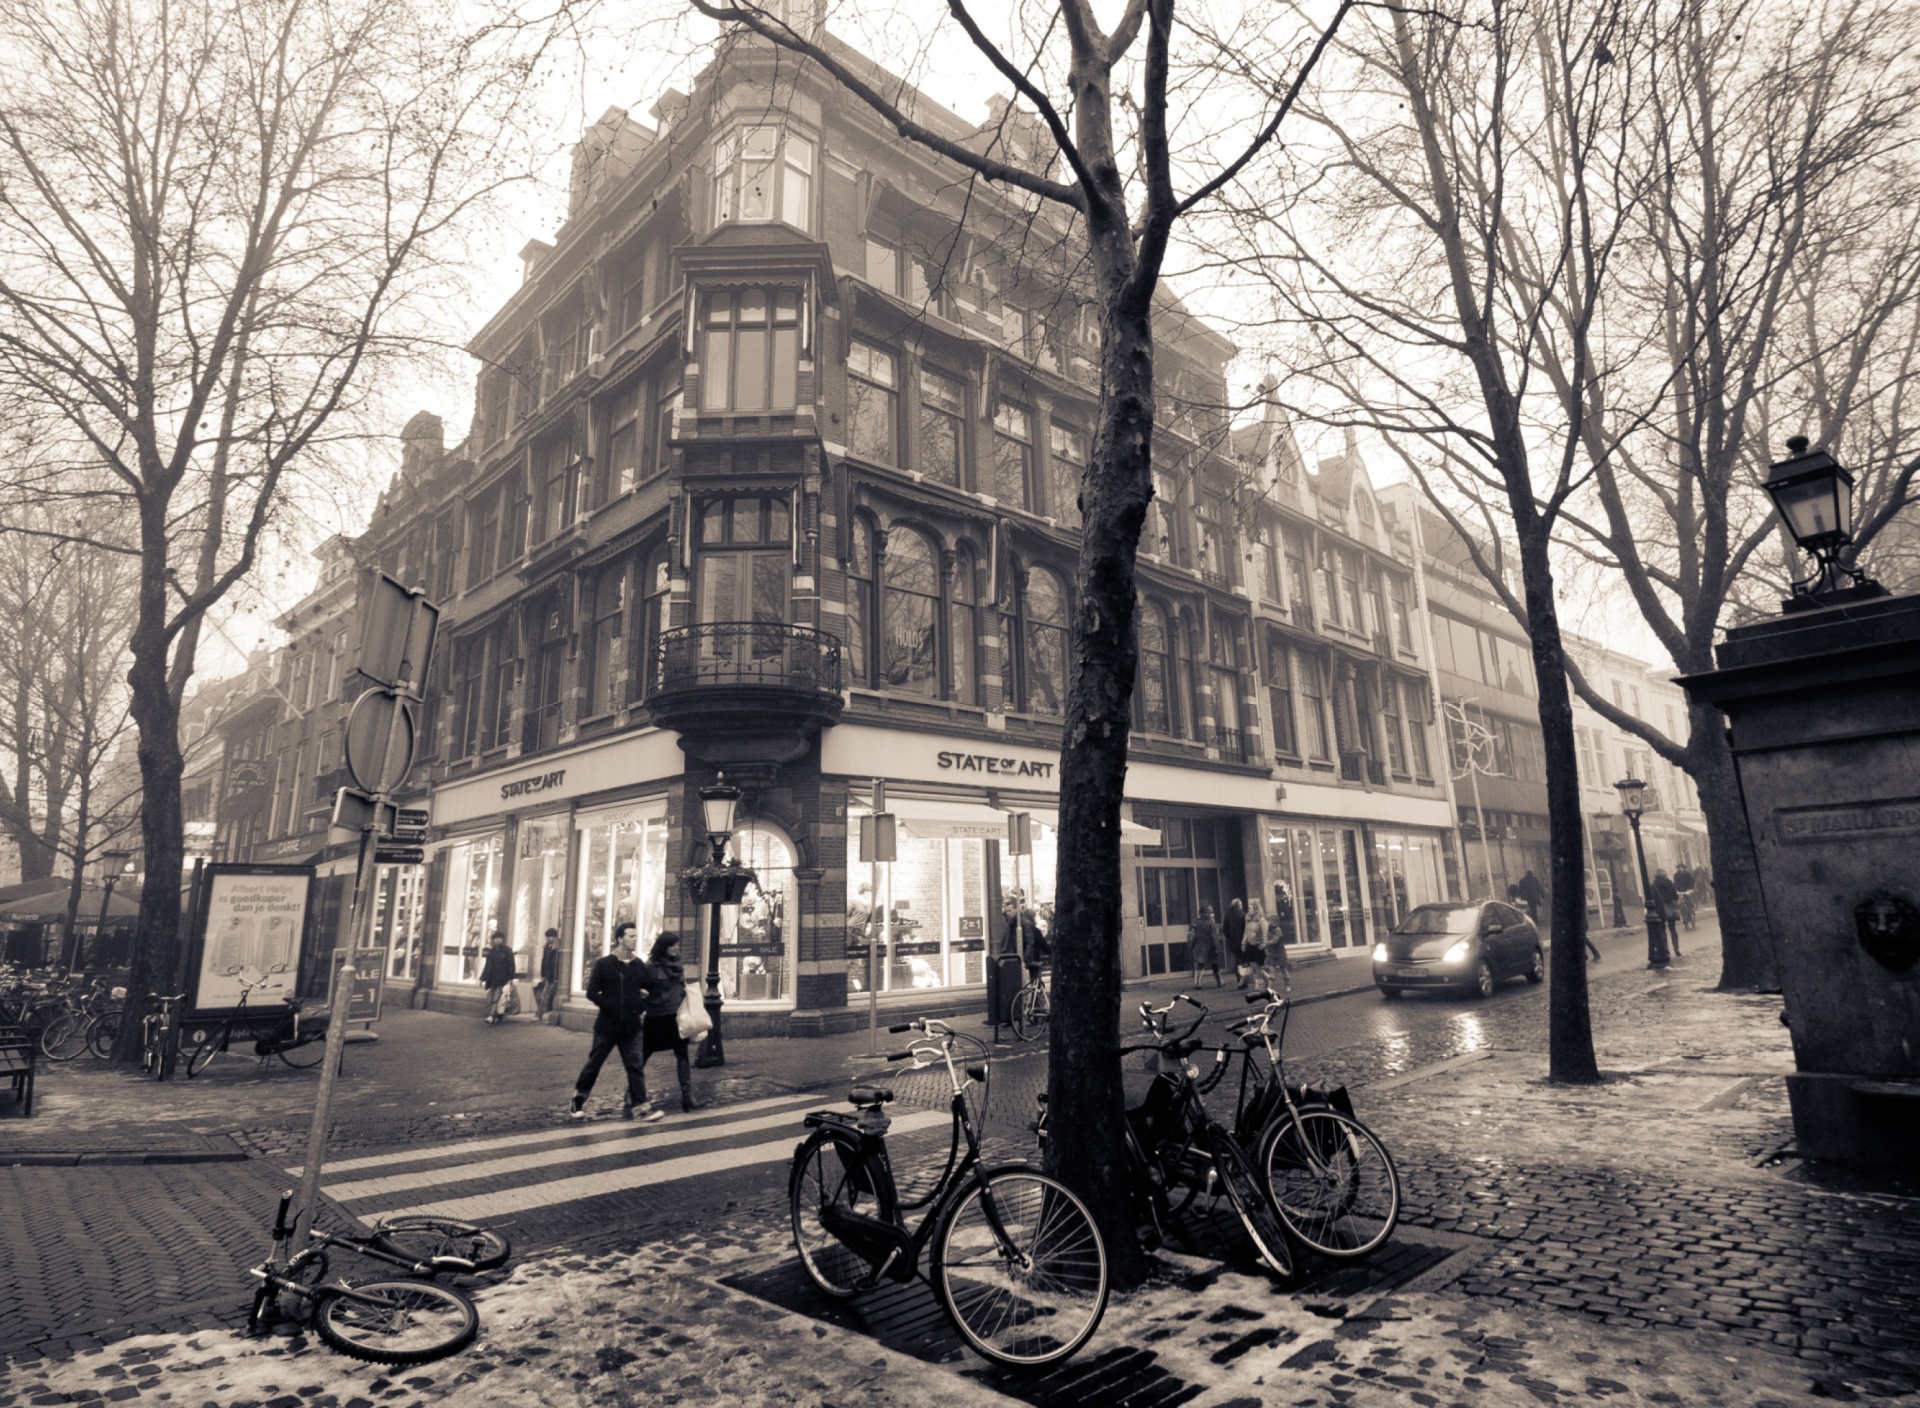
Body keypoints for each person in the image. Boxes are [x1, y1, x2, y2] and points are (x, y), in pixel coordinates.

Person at [570, 922, 655, 1121]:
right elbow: (592, 992)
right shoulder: (604, 964)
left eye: (636, 936)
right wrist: (610, 1005)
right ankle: (578, 1100)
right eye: (631, 936)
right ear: (619, 939)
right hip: (608, 1025)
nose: (635, 939)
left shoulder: (638, 965)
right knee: (594, 1063)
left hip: (631, 1025)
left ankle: (641, 1107)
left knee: (635, 1066)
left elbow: (649, 990)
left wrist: (639, 1006)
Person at [637, 932, 699, 1115]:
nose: (676, 948)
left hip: (676, 1018)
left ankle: (688, 1097)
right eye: (673, 945)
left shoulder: (677, 965)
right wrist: (647, 1003)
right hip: (656, 1019)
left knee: (682, 1055)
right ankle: (632, 1094)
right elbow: (641, 990)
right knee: (643, 1056)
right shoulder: (651, 967)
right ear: (663, 946)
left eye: (677, 945)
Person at [480, 931, 516, 1025]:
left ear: (502, 940)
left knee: (497, 997)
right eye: (496, 938)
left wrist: (511, 978)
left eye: (499, 938)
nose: (497, 940)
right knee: (492, 997)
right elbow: (487, 966)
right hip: (492, 979)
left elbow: (511, 964)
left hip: (502, 979)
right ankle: (498, 1015)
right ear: (493, 940)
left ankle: (491, 1015)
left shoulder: (507, 950)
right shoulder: (491, 952)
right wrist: (482, 978)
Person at [1239, 899, 1270, 992]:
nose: (1249, 910)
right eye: (1249, 908)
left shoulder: (1262, 921)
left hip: (1258, 946)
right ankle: (1266, 977)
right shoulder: (1248, 919)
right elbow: (1246, 932)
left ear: (1256, 910)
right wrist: (1243, 943)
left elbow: (1265, 933)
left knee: (1257, 966)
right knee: (1253, 967)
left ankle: (1259, 986)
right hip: (1250, 945)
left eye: (1250, 908)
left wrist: (1265, 944)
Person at [1188, 904, 1222, 987]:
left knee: (1200, 964)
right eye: (1211, 912)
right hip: (1210, 948)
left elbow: (1191, 934)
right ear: (1207, 913)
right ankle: (1219, 982)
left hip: (1199, 947)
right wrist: (1218, 948)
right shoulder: (1210, 923)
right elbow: (1215, 937)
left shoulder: (1195, 922)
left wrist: (1191, 945)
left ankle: (1197, 982)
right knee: (1214, 965)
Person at [1652, 869, 1683, 957]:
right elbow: (1675, 897)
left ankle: (1666, 949)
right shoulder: (1669, 883)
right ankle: (1676, 949)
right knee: (1673, 929)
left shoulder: (1653, 885)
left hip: (1659, 910)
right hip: (1670, 908)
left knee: (1662, 930)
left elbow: (1652, 898)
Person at [534, 928, 562, 1017]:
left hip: (555, 975)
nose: (549, 939)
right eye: (548, 937)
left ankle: (540, 1014)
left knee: (547, 995)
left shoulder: (557, 948)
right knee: (545, 995)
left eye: (551, 937)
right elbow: (544, 961)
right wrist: (543, 974)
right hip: (550, 975)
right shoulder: (547, 947)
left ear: (555, 937)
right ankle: (540, 1013)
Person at [1222, 899, 1248, 983]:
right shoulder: (1243, 915)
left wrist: (1230, 937)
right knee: (1243, 960)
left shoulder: (1227, 915)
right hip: (1242, 939)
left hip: (1233, 941)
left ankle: (1239, 977)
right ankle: (1243, 979)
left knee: (1237, 959)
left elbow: (1225, 929)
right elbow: (1246, 929)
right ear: (1239, 905)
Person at [1672, 865, 1697, 930]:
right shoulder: (1676, 875)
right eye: (1679, 868)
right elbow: (1675, 883)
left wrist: (1691, 888)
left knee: (1690, 899)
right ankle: (1683, 915)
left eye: (1682, 868)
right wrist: (1676, 890)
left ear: (1684, 868)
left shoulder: (1688, 874)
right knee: (1680, 903)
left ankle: (1692, 909)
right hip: (1680, 891)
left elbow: (1692, 882)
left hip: (1688, 889)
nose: (1681, 869)